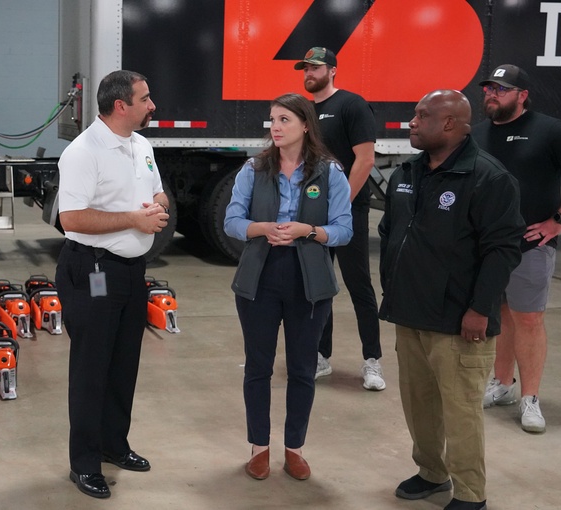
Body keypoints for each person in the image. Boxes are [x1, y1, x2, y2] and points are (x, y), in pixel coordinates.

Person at [378, 90, 524, 510]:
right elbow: (391, 231)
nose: (411, 121)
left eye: (421, 115)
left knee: (460, 411)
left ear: (449, 124)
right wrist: (393, 285)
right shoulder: (408, 172)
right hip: (411, 311)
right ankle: (431, 472)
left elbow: (503, 250)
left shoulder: (488, 178)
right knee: (418, 404)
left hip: (461, 319)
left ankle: (470, 493)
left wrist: (480, 308)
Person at [472, 64, 561, 433]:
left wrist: (559, 220)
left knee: (528, 317)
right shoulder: (478, 134)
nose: (492, 94)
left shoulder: (548, 130)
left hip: (530, 244)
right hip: (485, 245)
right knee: (499, 314)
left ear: (522, 95)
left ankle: (530, 398)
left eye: (501, 89)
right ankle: (502, 384)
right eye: (489, 89)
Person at [224, 93, 353, 481]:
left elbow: (344, 230)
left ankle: (294, 449)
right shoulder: (254, 168)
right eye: (272, 121)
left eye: (284, 120)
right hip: (259, 278)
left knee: (301, 369)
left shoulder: (330, 172)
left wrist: (308, 231)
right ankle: (258, 448)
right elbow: (231, 220)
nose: (275, 128)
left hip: (308, 282)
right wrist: (261, 228)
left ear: (305, 125)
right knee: (258, 368)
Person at [54, 69, 169, 499]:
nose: (152, 105)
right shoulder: (84, 152)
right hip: (93, 272)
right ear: (121, 105)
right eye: (145, 98)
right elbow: (72, 219)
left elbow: (158, 193)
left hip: (131, 273)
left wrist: (157, 205)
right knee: (91, 369)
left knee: (123, 364)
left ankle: (113, 445)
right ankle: (84, 463)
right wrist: (133, 219)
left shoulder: (141, 145)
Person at [295, 46, 385, 390]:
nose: (308, 74)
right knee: (318, 286)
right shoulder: (302, 111)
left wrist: (341, 206)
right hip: (312, 213)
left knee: (358, 283)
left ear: (332, 70)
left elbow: (365, 159)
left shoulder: (351, 105)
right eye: (305, 69)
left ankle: (372, 361)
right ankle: (320, 356)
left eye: (315, 68)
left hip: (346, 212)